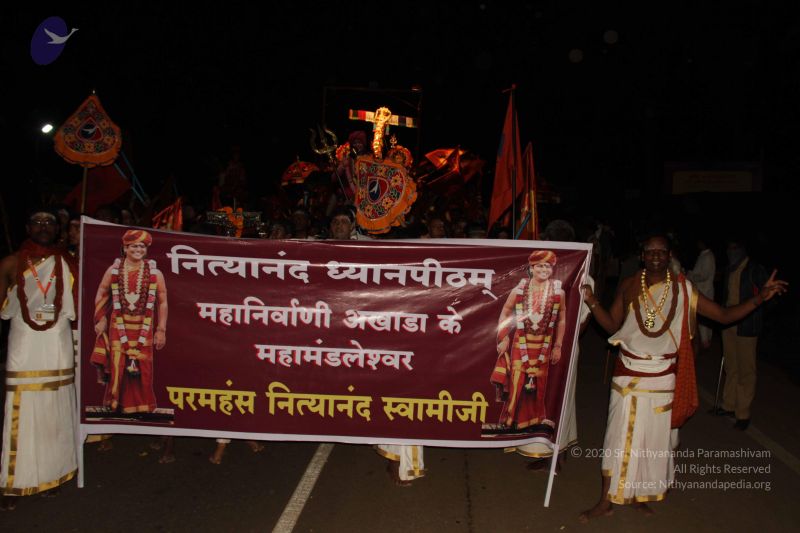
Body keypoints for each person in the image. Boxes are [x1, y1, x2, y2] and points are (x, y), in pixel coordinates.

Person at [579, 234, 786, 522]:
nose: (655, 256)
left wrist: (759, 299)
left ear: (669, 255)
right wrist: (591, 301)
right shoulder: (629, 285)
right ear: (642, 256)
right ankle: (605, 500)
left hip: (662, 378)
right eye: (650, 251)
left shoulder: (684, 289)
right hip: (628, 374)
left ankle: (640, 494)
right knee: (616, 438)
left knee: (654, 442)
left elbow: (724, 315)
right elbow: (612, 326)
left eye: (661, 251)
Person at [0, 209, 78, 509]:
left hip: (57, 339)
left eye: (49, 223)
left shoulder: (66, 261)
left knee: (54, 406)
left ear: (57, 229)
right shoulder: (10, 263)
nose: (43, 227)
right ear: (27, 227)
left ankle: (52, 475)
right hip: (25, 341)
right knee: (21, 405)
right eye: (37, 222)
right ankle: (14, 481)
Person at [510, 220, 593, 471]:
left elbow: (583, 320)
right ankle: (547, 451)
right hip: (536, 347)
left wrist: (561, 343)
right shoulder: (536, 273)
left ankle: (556, 453)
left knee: (560, 399)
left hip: (560, 349)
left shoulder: (581, 276)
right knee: (541, 398)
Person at [91, 229, 167, 414]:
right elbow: (101, 292)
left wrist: (161, 329)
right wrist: (100, 317)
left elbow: (162, 301)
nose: (138, 250)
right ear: (125, 248)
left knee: (144, 368)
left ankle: (142, 407)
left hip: (143, 327)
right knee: (118, 365)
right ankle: (115, 403)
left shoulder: (155, 273)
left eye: (142, 246)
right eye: (134, 246)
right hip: (119, 326)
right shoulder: (114, 270)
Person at [490, 249, 567, 432]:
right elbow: (505, 313)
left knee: (540, 386)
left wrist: (558, 345)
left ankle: (535, 421)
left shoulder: (558, 292)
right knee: (517, 382)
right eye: (540, 266)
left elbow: (561, 319)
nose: (544, 269)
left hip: (544, 345)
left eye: (547, 266)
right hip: (521, 343)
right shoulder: (519, 290)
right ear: (531, 268)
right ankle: (510, 421)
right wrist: (503, 337)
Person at [715, 239, 769, 430]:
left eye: (735, 247)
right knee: (731, 365)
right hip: (729, 320)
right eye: (729, 248)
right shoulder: (730, 268)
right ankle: (729, 405)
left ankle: (743, 413)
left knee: (746, 369)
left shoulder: (754, 269)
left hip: (747, 324)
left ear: (742, 249)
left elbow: (766, 296)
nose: (731, 251)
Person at [686, 237, 715, 349]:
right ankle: (705, 340)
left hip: (705, 290)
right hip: (701, 289)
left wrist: (691, 276)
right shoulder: (703, 255)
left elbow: (704, 275)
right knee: (702, 317)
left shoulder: (708, 256)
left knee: (704, 317)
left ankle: (705, 341)